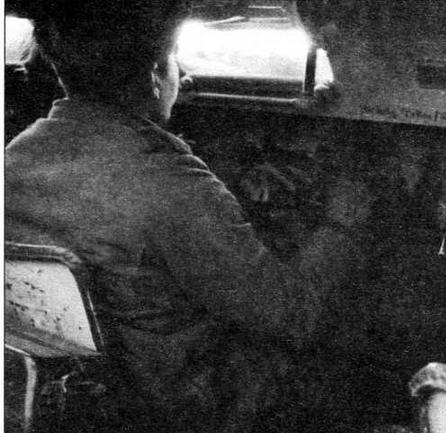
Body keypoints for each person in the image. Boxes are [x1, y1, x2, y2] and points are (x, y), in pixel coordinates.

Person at [5, 1, 363, 431]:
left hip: (72, 396)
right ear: (156, 74)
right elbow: (294, 315)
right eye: (174, 60)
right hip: (181, 408)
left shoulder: (14, 159)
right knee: (339, 348)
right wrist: (343, 220)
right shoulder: (169, 182)